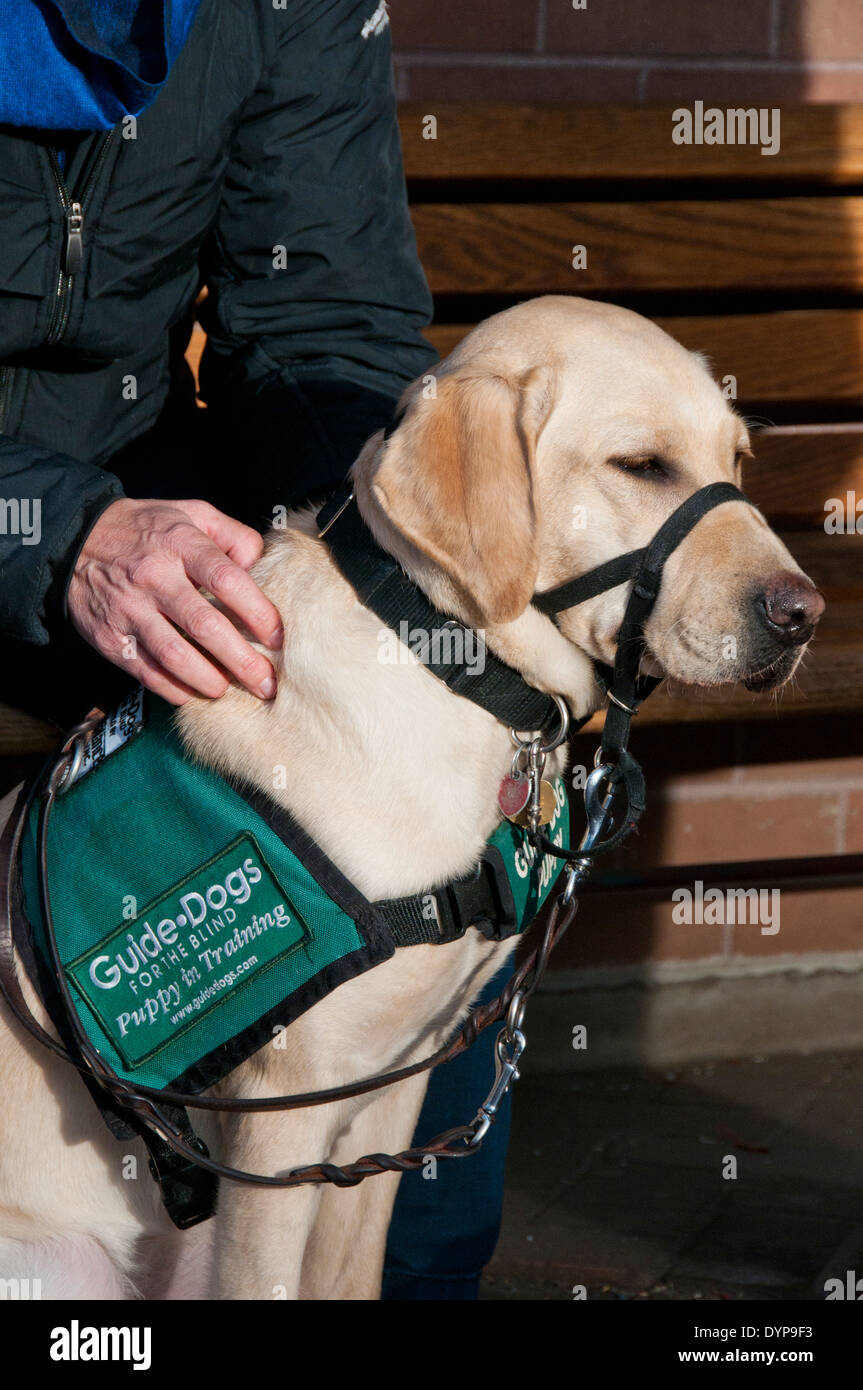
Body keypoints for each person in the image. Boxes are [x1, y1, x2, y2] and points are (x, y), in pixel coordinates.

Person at [0, 0, 510, 1299]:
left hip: (129, 473)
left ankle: (371, 1254)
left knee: (431, 732)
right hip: (49, 511)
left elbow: (324, 325)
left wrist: (395, 593)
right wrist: (59, 535)